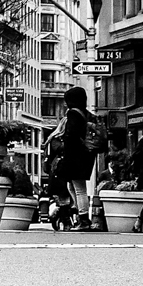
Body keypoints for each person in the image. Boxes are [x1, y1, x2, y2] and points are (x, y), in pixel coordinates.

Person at [51, 87, 95, 231]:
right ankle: (80, 216)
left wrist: (65, 155)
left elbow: (71, 137)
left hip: (75, 157)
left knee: (79, 188)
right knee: (73, 186)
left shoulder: (73, 114)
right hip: (86, 156)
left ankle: (83, 219)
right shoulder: (87, 114)